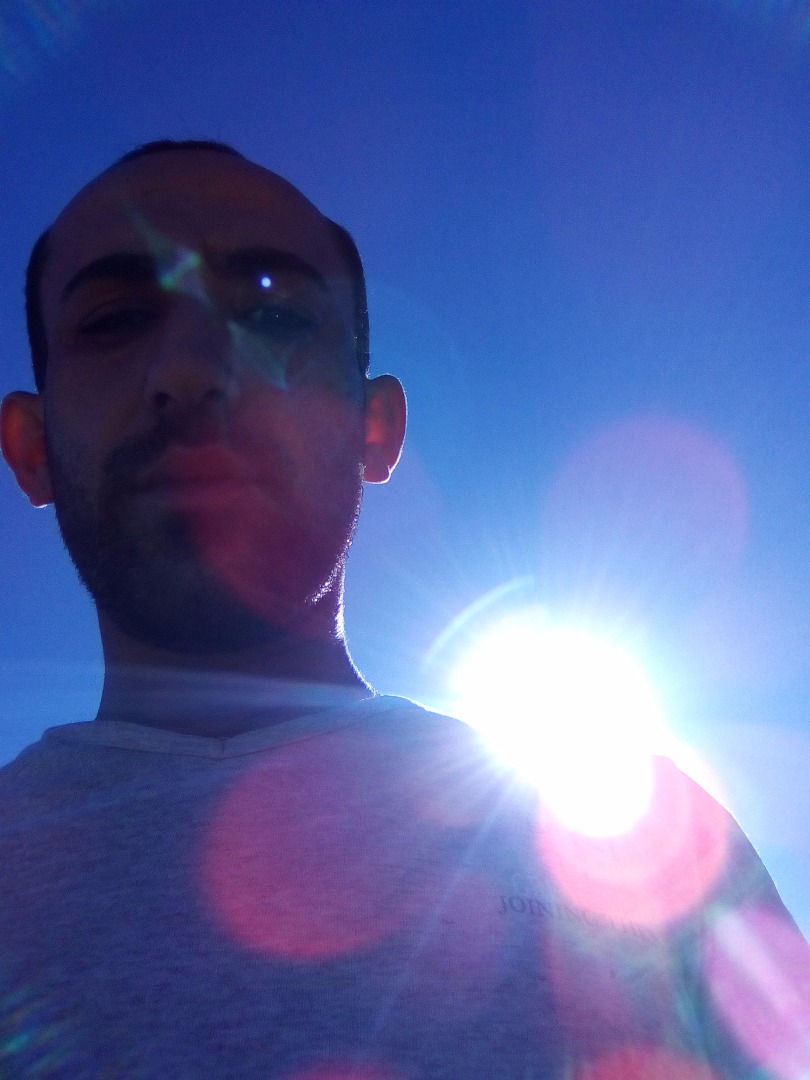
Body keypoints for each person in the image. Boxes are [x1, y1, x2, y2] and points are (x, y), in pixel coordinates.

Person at [0, 140, 807, 1080]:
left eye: (272, 313)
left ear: (374, 429)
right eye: (116, 320)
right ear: (32, 449)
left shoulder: (650, 855)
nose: (191, 367)